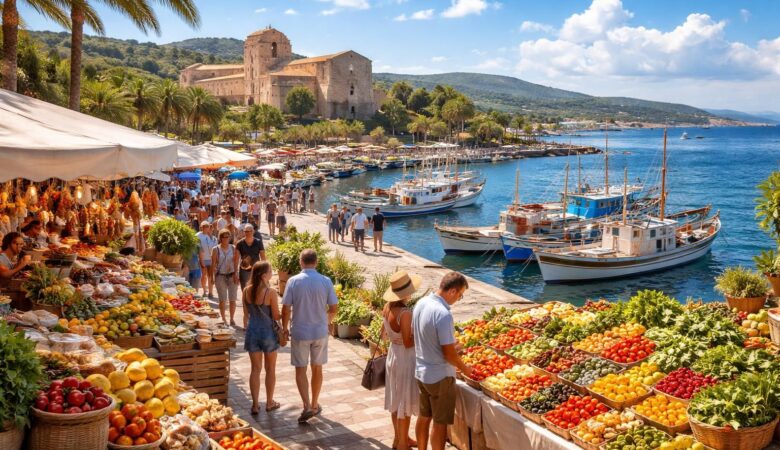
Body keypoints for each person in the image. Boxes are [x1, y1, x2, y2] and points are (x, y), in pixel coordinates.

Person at [413, 272, 473, 450]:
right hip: (440, 376)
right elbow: (448, 355)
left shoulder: (421, 303)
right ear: (452, 291)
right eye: (460, 295)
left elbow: (424, 335)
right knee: (440, 424)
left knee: (424, 417)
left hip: (421, 370)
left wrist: (452, 346)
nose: (458, 299)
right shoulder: (443, 314)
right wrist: (465, 368)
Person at [281, 249, 338, 423]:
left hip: (300, 331)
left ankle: (306, 405)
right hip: (319, 331)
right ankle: (314, 404)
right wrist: (326, 321)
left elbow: (286, 308)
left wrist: (284, 328)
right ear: (316, 262)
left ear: (301, 262)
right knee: (317, 368)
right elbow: (334, 308)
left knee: (300, 369)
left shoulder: (293, 281)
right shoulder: (325, 281)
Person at [383, 271, 422, 450]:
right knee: (404, 402)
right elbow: (408, 342)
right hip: (405, 358)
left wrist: (396, 338)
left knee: (395, 399)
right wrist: (421, 337)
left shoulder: (387, 307)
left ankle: (399, 438)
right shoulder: (405, 313)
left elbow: (384, 335)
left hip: (393, 354)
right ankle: (403, 445)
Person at [242, 261, 283, 415]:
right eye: (270, 271)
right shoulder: (270, 292)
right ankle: (269, 402)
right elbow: (276, 315)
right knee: (270, 369)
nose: (272, 273)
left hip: (252, 332)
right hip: (268, 333)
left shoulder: (246, 290)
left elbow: (246, 314)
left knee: (255, 369)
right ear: (264, 275)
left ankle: (255, 405)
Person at [212, 229, 241, 326]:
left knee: (233, 299)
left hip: (232, 275)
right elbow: (213, 264)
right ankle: (223, 318)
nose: (226, 239)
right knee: (222, 299)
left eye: (228, 237)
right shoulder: (215, 249)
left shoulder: (233, 248)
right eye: (224, 237)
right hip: (220, 276)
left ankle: (232, 318)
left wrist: (236, 274)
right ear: (220, 238)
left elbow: (236, 262)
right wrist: (212, 277)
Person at [236, 224, 266, 290]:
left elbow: (263, 257)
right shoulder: (239, 243)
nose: (248, 233)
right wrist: (236, 272)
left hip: (256, 269)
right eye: (246, 231)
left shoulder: (258, 242)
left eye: (250, 231)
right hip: (244, 270)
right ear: (244, 232)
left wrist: (264, 270)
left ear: (253, 231)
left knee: (256, 288)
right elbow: (236, 259)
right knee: (245, 289)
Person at [196, 222, 216, 298]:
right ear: (202, 227)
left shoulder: (214, 238)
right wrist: (200, 259)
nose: (208, 229)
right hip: (202, 259)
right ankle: (204, 291)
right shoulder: (198, 235)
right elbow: (197, 248)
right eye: (206, 227)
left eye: (209, 227)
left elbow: (215, 249)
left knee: (210, 276)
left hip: (211, 259)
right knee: (203, 276)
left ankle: (210, 292)